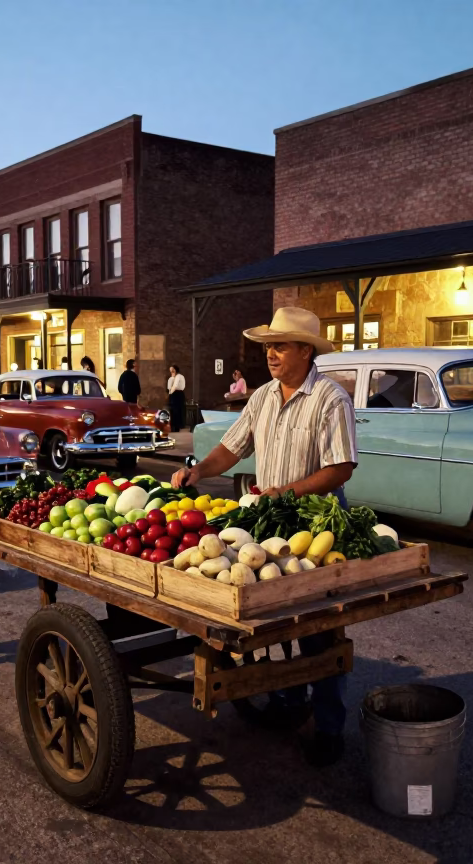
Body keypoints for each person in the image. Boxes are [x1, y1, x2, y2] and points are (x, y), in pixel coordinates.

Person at [171, 307, 357, 767]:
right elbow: (231, 448)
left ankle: (331, 726)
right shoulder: (263, 397)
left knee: (318, 629)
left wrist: (286, 492)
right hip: (271, 521)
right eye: (268, 347)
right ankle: (289, 700)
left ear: (305, 351)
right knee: (272, 621)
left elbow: (341, 467)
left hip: (316, 521)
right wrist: (197, 471)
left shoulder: (330, 398)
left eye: (280, 346)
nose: (270, 354)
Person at [166, 364, 186, 431]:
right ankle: (173, 426)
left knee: (177, 411)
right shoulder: (172, 378)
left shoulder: (179, 377)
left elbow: (175, 386)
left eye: (173, 370)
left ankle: (177, 426)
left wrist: (170, 393)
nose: (171, 372)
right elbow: (169, 387)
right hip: (174, 394)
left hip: (178, 394)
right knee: (173, 411)